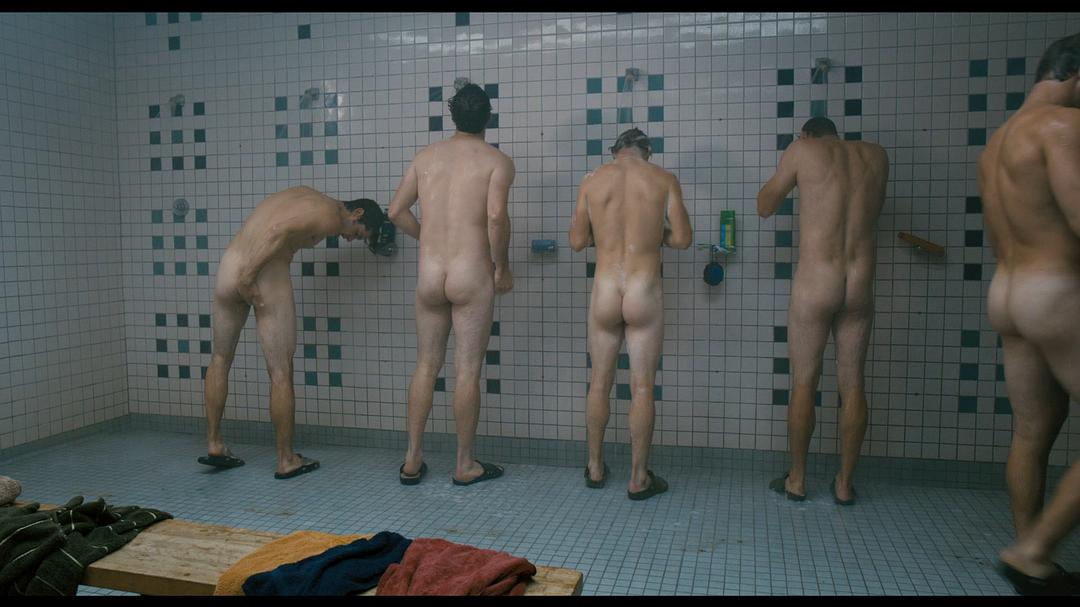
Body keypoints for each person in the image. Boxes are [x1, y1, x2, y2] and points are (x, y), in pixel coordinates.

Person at [977, 32, 1080, 596]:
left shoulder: (997, 142)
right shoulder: (1061, 126)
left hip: (1008, 292)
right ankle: (1032, 551)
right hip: (1053, 290)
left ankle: (1033, 559)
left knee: (1033, 429)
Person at [199, 186, 387, 479]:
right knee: (281, 371)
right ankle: (286, 458)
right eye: (359, 233)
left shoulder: (304, 196)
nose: (351, 238)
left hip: (229, 265)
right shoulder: (330, 214)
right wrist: (248, 277)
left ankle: (214, 443)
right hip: (262, 272)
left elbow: (271, 224)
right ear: (357, 212)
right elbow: (277, 231)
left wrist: (241, 273)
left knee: (220, 358)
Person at [757, 116, 889, 505]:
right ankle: (844, 484)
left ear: (807, 135)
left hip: (817, 283)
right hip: (859, 285)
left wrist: (792, 174)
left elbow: (765, 205)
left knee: (804, 382)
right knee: (853, 384)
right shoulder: (876, 157)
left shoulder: (803, 150)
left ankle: (797, 479)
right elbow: (871, 211)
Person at [389, 82, 515, 486]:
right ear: (488, 117)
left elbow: (396, 211)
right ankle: (464, 464)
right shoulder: (496, 161)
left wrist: (428, 237)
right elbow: (495, 218)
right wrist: (501, 267)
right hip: (470, 274)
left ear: (453, 116)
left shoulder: (426, 157)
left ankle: (412, 459)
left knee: (426, 365)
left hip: (430, 275)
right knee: (467, 371)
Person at [569, 128, 692, 501]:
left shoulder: (592, 180)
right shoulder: (664, 179)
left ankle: (595, 467)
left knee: (599, 382)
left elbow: (577, 241)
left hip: (606, 291)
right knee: (642, 387)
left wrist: (606, 235)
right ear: (647, 151)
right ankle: (638, 478)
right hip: (643, 291)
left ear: (615, 152)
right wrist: (653, 234)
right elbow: (682, 239)